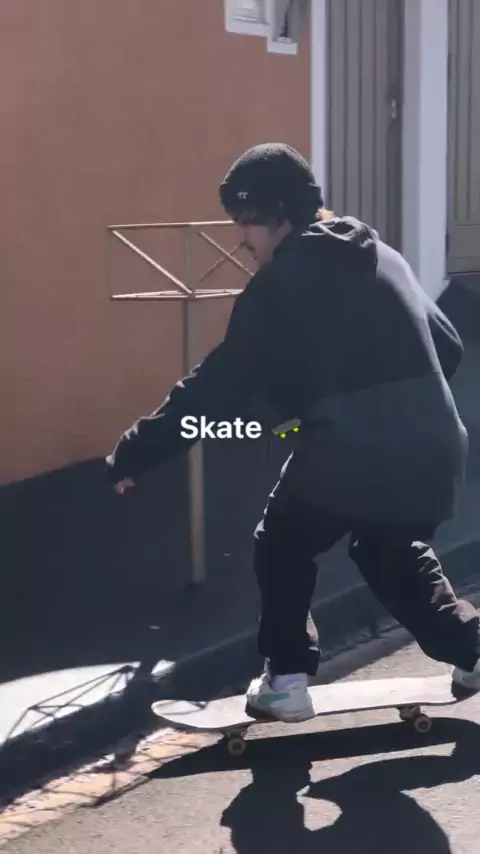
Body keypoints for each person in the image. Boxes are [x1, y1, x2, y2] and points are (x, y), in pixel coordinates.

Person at [105, 142, 480, 722]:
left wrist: (137, 449)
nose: (241, 238)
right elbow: (448, 346)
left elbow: (218, 386)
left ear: (278, 212)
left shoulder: (281, 283)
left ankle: (286, 680)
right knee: (389, 550)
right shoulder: (382, 255)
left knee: (282, 540)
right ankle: (473, 649)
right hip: (436, 446)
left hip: (354, 450)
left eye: (246, 220)